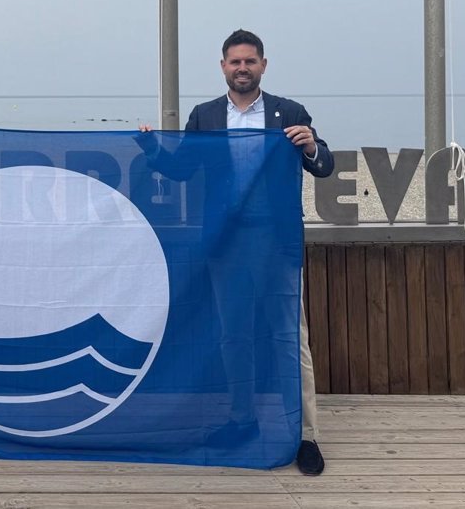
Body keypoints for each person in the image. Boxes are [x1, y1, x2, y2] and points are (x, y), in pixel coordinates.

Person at [139, 29, 332, 475]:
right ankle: (240, 421)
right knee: (234, 336)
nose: (242, 68)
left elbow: (323, 166)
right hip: (228, 245)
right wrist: (150, 146)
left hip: (277, 245)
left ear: (263, 65)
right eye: (234, 61)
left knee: (290, 337)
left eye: (250, 61)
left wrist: (311, 146)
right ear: (223, 66)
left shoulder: (290, 112)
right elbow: (182, 169)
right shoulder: (205, 116)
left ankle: (306, 435)